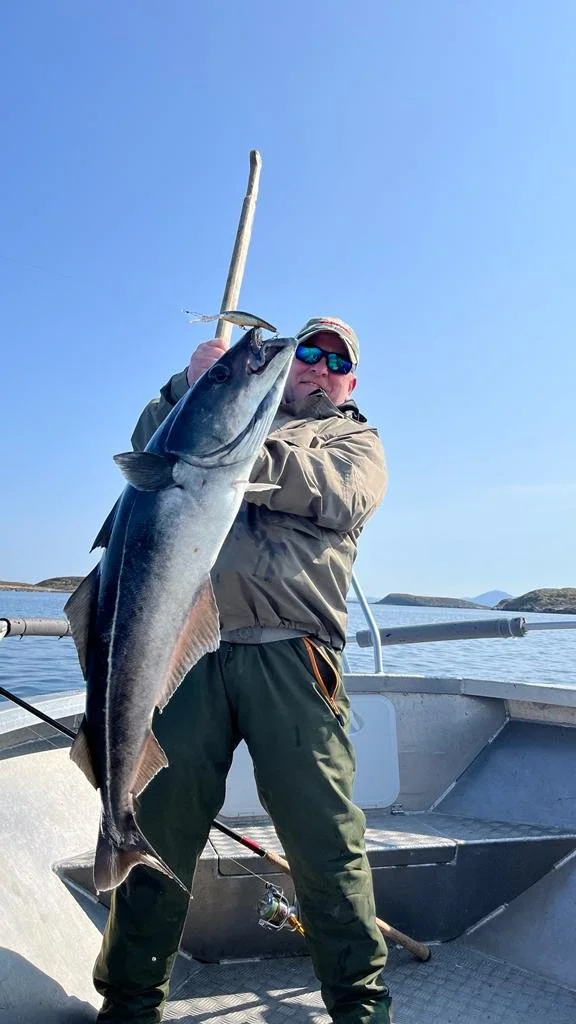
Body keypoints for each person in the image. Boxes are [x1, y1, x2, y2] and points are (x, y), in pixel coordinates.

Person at [93, 316, 391, 1023]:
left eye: (333, 361)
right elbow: (149, 449)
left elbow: (336, 493)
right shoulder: (214, 414)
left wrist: (234, 452)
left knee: (326, 843)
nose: (315, 367)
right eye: (308, 355)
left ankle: (361, 1009)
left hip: (293, 658)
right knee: (158, 829)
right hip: (186, 655)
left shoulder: (354, 441)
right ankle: (130, 1004)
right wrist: (186, 389)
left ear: (350, 380)